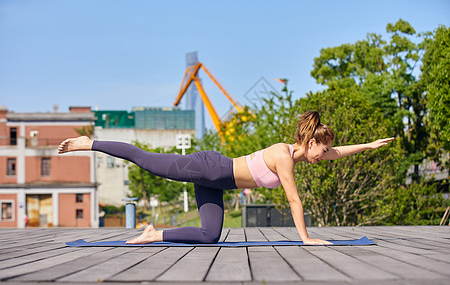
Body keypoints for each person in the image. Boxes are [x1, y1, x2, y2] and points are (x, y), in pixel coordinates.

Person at [58, 111, 394, 245]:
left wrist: (369, 145)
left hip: (217, 182)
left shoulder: (300, 154)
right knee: (148, 161)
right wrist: (306, 239)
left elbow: (336, 153)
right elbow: (294, 199)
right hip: (208, 167)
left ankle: (153, 233)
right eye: (323, 149)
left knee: (210, 235)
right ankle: (91, 143)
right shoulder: (283, 157)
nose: (326, 155)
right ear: (310, 143)